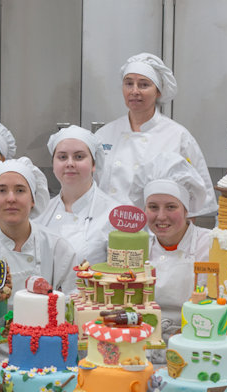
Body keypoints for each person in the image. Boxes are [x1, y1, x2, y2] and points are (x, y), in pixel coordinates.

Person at [96, 53, 217, 217]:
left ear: (158, 92)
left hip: (156, 234)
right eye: (129, 83)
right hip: (107, 231)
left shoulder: (178, 136)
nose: (134, 91)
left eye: (144, 84)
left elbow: (195, 204)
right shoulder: (105, 135)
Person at [129, 152, 212, 350]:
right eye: (153, 207)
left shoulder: (210, 244)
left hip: (196, 345)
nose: (161, 216)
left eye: (171, 207)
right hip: (144, 347)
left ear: (186, 209)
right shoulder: (138, 247)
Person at [0, 158, 77, 296]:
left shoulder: (57, 248)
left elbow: (72, 302)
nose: (11, 198)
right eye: (2, 190)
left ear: (33, 199)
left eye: (20, 190)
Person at [36, 125, 118, 264]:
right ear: (54, 164)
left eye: (79, 157)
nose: (70, 163)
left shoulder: (113, 215)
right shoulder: (40, 212)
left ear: (93, 164)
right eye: (62, 157)